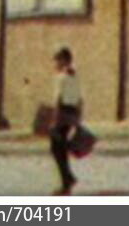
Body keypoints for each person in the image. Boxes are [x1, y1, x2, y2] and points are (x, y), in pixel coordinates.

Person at [48, 46, 82, 195]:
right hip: (71, 112)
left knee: (56, 148)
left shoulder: (61, 77)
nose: (55, 63)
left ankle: (66, 181)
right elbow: (79, 98)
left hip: (61, 113)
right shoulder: (74, 76)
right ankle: (68, 178)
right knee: (61, 147)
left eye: (57, 60)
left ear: (64, 60)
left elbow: (58, 99)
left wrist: (54, 119)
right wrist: (77, 117)